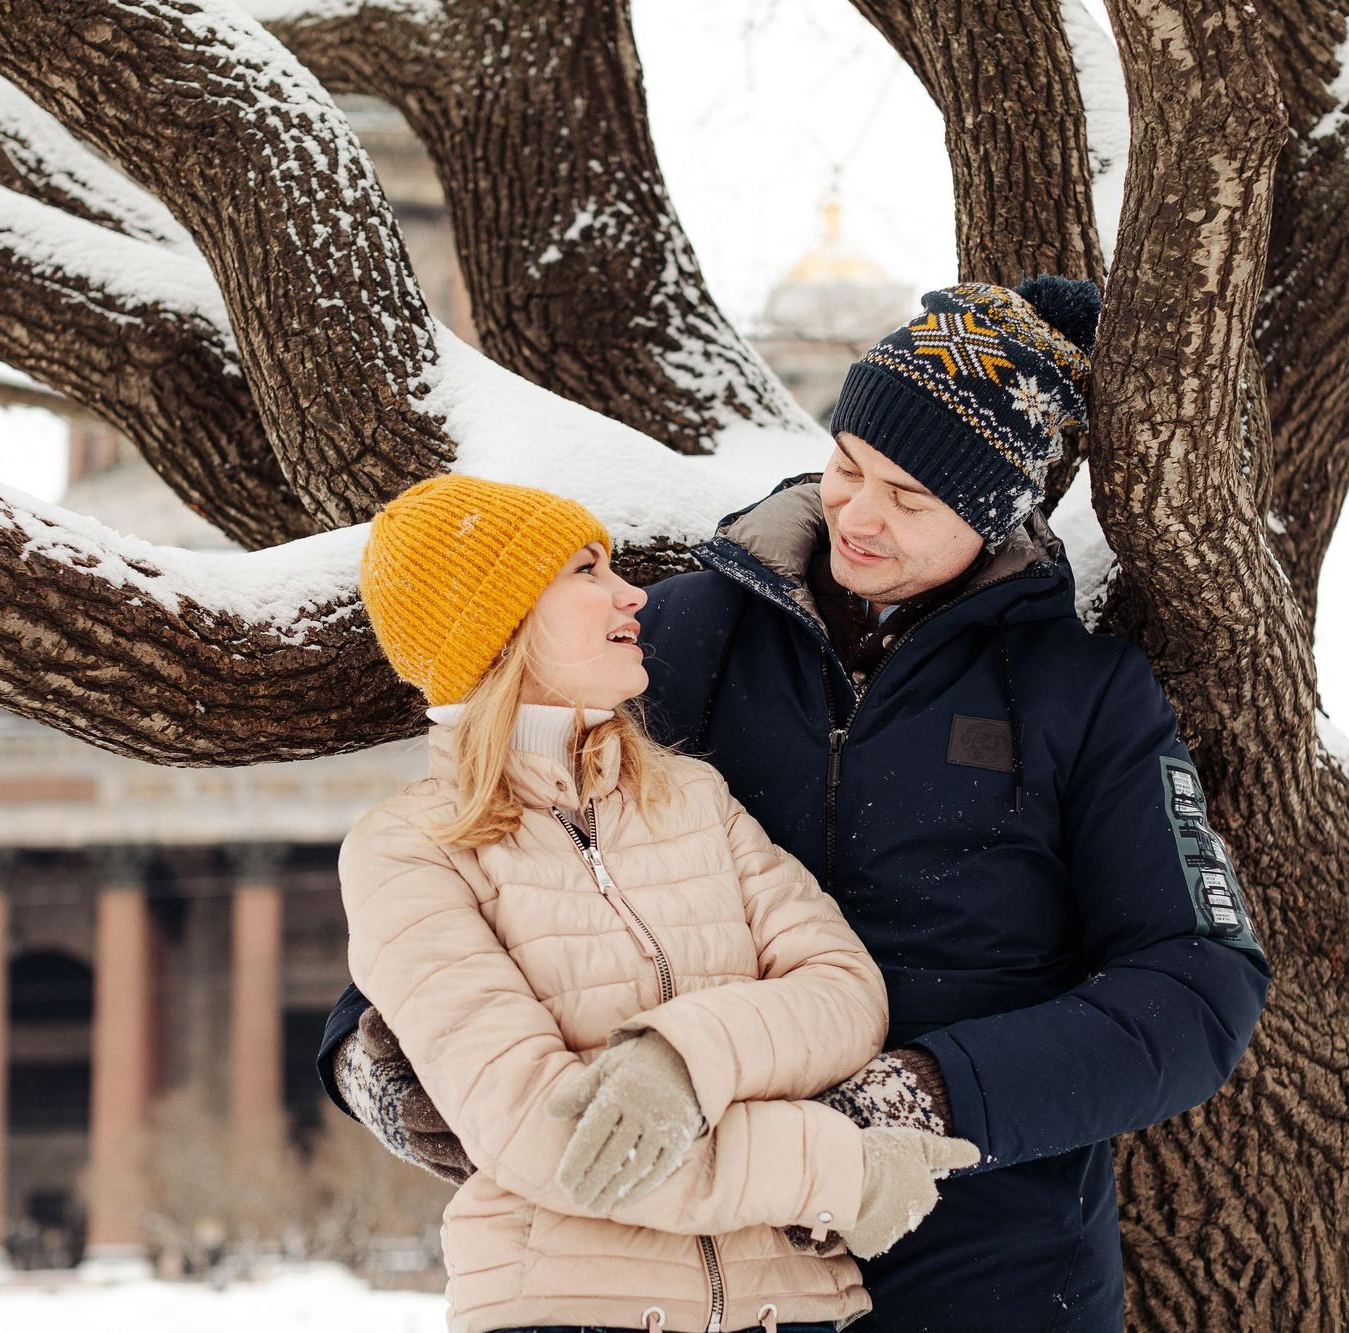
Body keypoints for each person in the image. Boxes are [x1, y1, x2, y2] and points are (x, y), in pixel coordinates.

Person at [325, 278, 1272, 1331]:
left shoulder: (1082, 695)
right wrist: (368, 1057)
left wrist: (930, 1090)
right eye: (847, 466)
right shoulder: (680, 639)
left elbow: (1194, 987)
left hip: (992, 1259)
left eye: (912, 500)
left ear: (998, 512)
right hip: (715, 1255)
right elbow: (482, 849)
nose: (858, 516)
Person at [342, 473, 978, 1333]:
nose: (630, 590)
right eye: (585, 570)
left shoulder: (691, 797)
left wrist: (683, 1060)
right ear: (500, 622)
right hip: (567, 1311)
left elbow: (843, 993)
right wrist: (838, 1169)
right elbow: (555, 1139)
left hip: (790, 1307)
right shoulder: (408, 850)